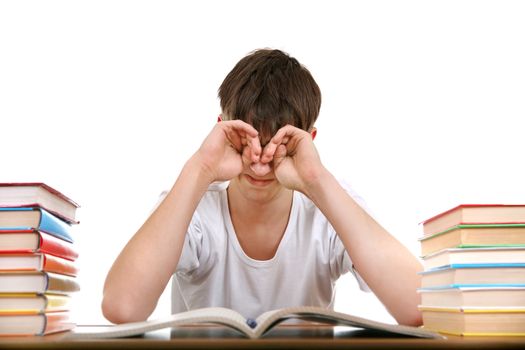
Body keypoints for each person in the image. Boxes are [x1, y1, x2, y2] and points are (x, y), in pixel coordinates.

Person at [102, 49, 423, 326]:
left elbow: (420, 305)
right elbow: (122, 308)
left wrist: (317, 179)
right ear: (223, 130)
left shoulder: (329, 204)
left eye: (277, 144)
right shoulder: (193, 205)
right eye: (246, 140)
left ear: (307, 141)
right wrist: (201, 167)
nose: (259, 163)